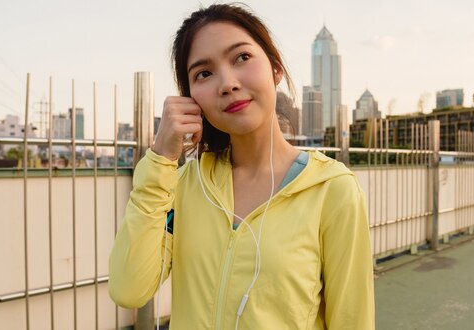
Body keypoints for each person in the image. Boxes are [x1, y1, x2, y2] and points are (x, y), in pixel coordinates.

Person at [108, 4, 374, 329]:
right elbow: (129, 289)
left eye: (242, 58)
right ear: (191, 97)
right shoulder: (185, 185)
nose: (227, 83)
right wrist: (161, 157)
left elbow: (353, 319)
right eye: (204, 73)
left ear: (275, 69)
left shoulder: (332, 188)